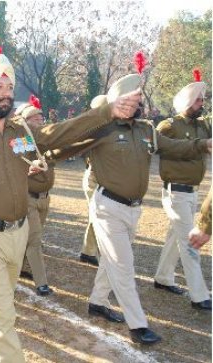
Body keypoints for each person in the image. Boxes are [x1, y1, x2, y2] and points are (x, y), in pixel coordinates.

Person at [0, 34, 142, 363]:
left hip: (18, 233)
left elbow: (59, 133)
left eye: (9, 89)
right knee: (4, 314)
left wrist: (106, 111)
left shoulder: (21, 131)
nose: (6, 95)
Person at [52, 73, 211, 345]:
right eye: (135, 97)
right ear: (121, 100)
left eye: (140, 97)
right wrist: (42, 159)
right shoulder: (103, 128)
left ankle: (98, 302)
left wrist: (203, 144)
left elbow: (171, 146)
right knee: (123, 266)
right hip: (108, 206)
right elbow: (62, 147)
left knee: (112, 260)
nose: (140, 102)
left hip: (133, 209)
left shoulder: (145, 129)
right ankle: (137, 325)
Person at [153, 70, 212, 310]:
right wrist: (197, 146)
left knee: (173, 237)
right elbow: (157, 145)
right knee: (190, 241)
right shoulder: (169, 125)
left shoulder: (203, 126)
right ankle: (200, 295)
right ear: (187, 101)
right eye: (198, 99)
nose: (202, 103)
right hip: (175, 192)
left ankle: (163, 277)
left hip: (192, 191)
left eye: (203, 99)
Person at [17, 96, 55, 296]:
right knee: (35, 239)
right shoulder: (21, 142)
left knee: (29, 238)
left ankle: (20, 266)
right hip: (28, 198)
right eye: (35, 119)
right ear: (26, 122)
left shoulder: (47, 140)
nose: (40, 122)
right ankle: (41, 282)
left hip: (45, 198)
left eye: (41, 118)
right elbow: (13, 165)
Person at [79, 95, 107, 267]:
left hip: (103, 176)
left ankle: (89, 251)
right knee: (97, 214)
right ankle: (90, 251)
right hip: (94, 177)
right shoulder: (93, 128)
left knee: (96, 215)